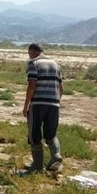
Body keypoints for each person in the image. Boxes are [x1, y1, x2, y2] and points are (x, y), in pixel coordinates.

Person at [22, 43, 64, 173]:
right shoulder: (56, 64)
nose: (29, 56)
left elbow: (31, 85)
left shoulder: (34, 63)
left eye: (29, 53)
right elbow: (61, 88)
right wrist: (56, 102)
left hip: (38, 104)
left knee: (34, 135)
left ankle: (38, 166)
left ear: (33, 51)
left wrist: (26, 105)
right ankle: (56, 154)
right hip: (54, 104)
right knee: (51, 134)